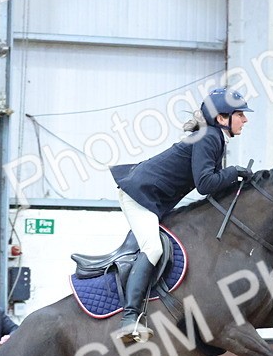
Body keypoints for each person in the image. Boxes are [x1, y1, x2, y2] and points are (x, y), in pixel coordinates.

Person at [108, 87, 253, 342]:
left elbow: (211, 185)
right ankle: (129, 319)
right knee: (153, 249)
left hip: (154, 197)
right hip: (139, 194)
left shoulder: (214, 137)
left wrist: (236, 179)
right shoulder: (209, 137)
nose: (245, 119)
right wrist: (235, 172)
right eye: (240, 114)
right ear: (222, 118)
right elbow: (205, 184)